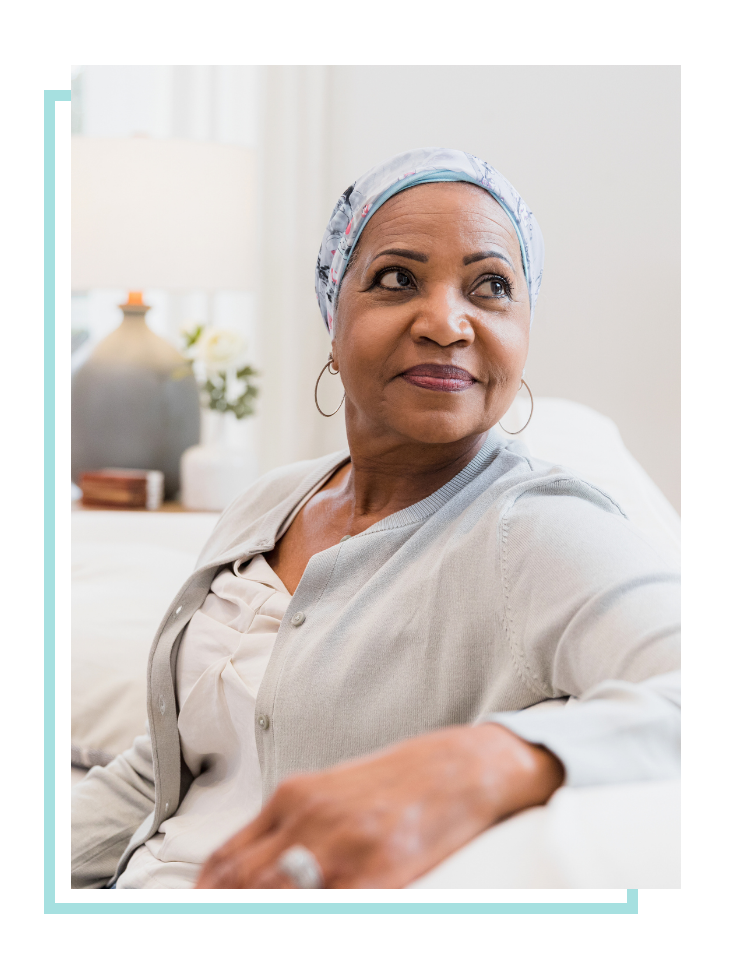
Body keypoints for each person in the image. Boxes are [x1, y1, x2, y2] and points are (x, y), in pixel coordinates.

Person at [71, 148, 680, 890]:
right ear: (333, 316)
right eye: (397, 279)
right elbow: (161, 776)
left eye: (489, 287)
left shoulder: (536, 527)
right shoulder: (269, 500)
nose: (447, 322)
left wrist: (477, 763)